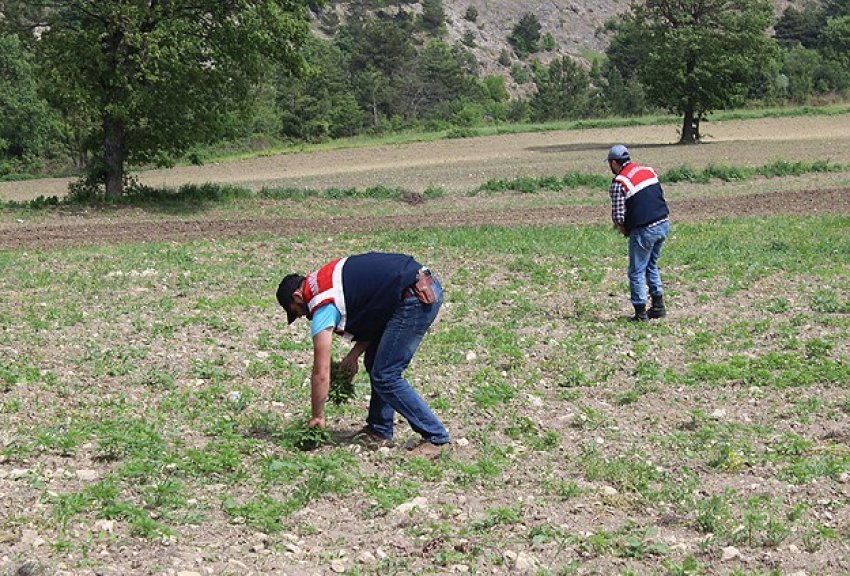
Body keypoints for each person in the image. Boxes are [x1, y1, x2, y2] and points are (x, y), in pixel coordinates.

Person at [276, 252, 451, 457]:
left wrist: (317, 416)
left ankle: (437, 438)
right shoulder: (323, 279)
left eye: (298, 312)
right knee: (376, 361)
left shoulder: (320, 303)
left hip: (414, 298)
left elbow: (321, 372)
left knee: (386, 375)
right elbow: (376, 309)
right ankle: (379, 429)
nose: (304, 316)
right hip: (415, 288)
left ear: (298, 297)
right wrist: (353, 356)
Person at [606, 144, 670, 321]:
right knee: (651, 265)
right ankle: (658, 305)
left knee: (636, 271)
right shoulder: (648, 171)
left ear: (613, 163)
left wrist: (624, 229)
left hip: (645, 229)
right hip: (663, 222)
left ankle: (640, 313)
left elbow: (618, 216)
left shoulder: (620, 182)